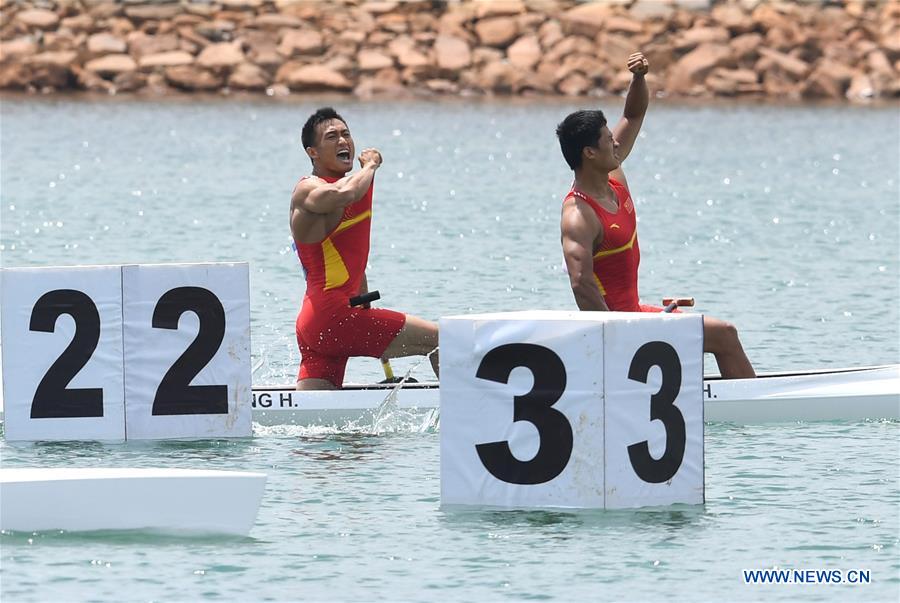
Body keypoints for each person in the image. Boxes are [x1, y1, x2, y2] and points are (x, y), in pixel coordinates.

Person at [556, 53, 755, 379]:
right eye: (609, 141)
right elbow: (581, 284)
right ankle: (752, 406)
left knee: (722, 334)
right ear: (589, 153)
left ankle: (726, 397)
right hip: (621, 325)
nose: (616, 146)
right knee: (724, 334)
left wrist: (639, 78)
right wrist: (616, 338)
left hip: (636, 314)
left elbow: (633, 115)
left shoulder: (613, 176)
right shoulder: (578, 215)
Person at [290, 107, 438, 390]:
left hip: (318, 323)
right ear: (313, 152)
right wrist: (370, 166)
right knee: (442, 342)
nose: (343, 141)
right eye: (332, 137)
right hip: (333, 316)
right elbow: (343, 194)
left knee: (314, 419)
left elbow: (347, 251)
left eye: (346, 134)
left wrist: (361, 292)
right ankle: (470, 420)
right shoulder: (309, 189)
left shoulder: (353, 183)